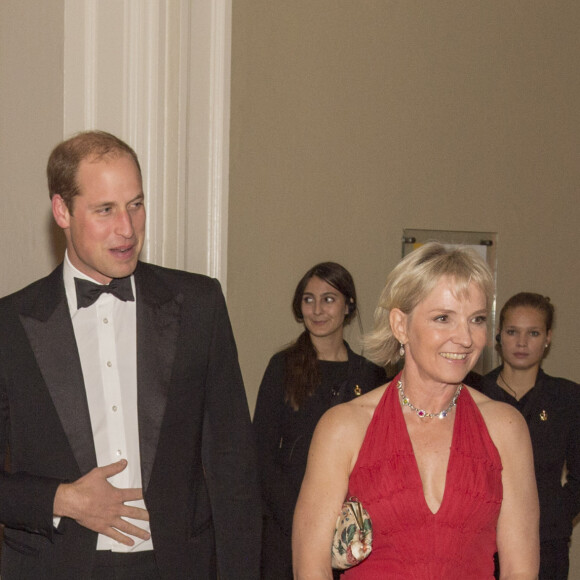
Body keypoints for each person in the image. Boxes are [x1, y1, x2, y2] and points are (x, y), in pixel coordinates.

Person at [0, 130, 261, 579]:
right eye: (105, 210)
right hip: (55, 567)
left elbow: (233, 466)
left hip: (177, 567)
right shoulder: (11, 325)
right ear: (62, 210)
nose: (127, 228)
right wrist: (61, 499)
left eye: (135, 205)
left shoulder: (199, 304)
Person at [293, 243, 540, 579]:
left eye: (477, 320)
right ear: (400, 325)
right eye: (443, 318)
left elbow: (520, 570)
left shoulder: (505, 427)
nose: (465, 338)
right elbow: (311, 567)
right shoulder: (345, 428)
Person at [253, 262, 387, 579]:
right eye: (308, 299)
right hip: (287, 524)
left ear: (348, 306)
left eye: (328, 299)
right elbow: (260, 453)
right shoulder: (282, 366)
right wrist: (301, 519)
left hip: (353, 531)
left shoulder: (370, 375)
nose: (317, 309)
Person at [479, 292, 580, 580]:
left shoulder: (568, 398)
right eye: (512, 332)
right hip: (481, 541)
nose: (522, 343)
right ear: (499, 336)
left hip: (545, 542)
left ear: (548, 337)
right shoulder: (474, 395)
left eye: (533, 333)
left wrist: (557, 513)